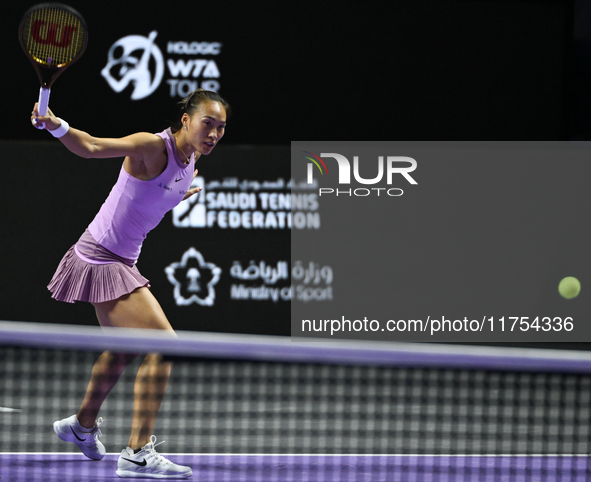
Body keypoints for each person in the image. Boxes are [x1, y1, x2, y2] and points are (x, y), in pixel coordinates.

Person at [30, 89, 230, 479]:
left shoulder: (191, 163)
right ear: (186, 120)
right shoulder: (149, 146)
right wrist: (57, 126)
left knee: (123, 352)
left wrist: (176, 196)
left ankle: (81, 425)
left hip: (122, 259)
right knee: (163, 347)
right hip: (101, 257)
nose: (214, 134)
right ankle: (137, 452)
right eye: (208, 123)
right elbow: (89, 146)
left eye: (221, 127)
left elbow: (152, 198)